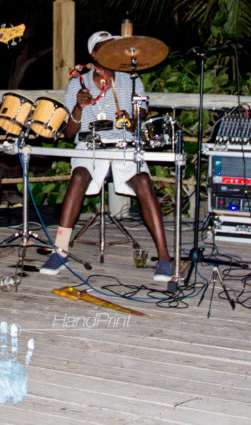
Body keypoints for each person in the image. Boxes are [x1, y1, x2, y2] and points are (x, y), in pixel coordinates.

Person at [40, 31, 175, 282]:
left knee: (144, 181)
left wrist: (133, 116)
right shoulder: (78, 83)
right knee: (79, 176)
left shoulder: (130, 80)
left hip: (123, 145)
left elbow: (142, 114)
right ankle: (60, 251)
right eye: (104, 47)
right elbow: (70, 133)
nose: (112, 50)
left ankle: (165, 257)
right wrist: (79, 107)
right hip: (90, 146)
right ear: (93, 54)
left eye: (114, 45)